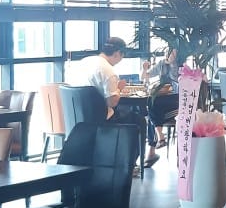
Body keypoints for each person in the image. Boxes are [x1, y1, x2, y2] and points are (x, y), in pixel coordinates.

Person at [65, 37, 160, 165]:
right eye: (122, 56)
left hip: (76, 117)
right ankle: (130, 165)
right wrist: (119, 89)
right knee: (139, 120)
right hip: (99, 119)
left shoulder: (84, 62)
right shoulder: (108, 71)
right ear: (117, 54)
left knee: (126, 113)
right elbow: (112, 102)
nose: (121, 60)